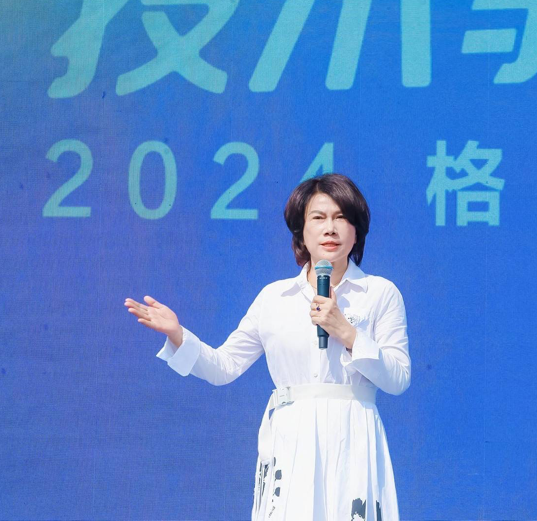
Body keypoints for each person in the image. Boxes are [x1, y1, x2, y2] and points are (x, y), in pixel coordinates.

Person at [124, 173, 410, 521]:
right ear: (301, 231)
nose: (330, 229)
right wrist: (178, 334)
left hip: (353, 436)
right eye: (318, 218)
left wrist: (348, 334)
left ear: (356, 230)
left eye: (341, 218)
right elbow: (224, 366)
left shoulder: (380, 293)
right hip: (293, 438)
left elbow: (398, 378)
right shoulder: (274, 298)